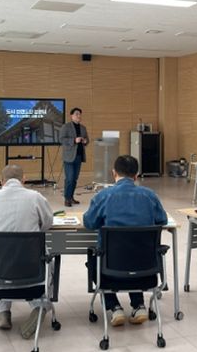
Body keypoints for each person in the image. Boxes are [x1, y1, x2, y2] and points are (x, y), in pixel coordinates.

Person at [83, 155, 168, 327]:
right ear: (136, 175)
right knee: (134, 252)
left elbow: (89, 222)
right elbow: (162, 220)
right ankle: (139, 305)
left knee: (94, 261)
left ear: (114, 173)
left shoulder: (103, 196)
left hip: (110, 271)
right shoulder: (150, 196)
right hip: (146, 270)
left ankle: (114, 307)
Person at [0, 164, 54, 339]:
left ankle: (3, 311)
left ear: (2, 181)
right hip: (32, 276)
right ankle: (40, 306)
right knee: (45, 259)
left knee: (1, 254)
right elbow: (47, 222)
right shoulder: (35, 197)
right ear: (24, 180)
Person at [60, 107, 88, 207]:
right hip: (69, 157)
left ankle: (71, 197)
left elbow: (87, 140)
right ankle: (67, 199)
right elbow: (62, 139)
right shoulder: (66, 126)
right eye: (76, 114)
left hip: (79, 156)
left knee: (75, 179)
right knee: (69, 178)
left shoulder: (83, 128)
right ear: (71, 116)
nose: (78, 116)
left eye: (80, 114)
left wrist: (85, 141)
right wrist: (73, 140)